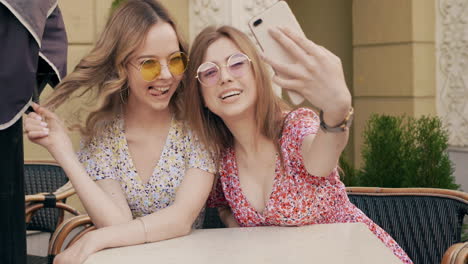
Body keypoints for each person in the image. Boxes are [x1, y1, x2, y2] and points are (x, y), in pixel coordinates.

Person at [184, 25, 413, 263]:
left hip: (358, 256)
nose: (226, 77)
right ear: (200, 95)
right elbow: (223, 206)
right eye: (209, 72)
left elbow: (321, 160)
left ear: (258, 75)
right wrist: (239, 228)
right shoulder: (224, 158)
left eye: (237, 63)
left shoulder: (294, 127)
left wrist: (336, 111)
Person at [23, 1, 215, 263]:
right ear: (121, 66)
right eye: (149, 64)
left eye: (175, 60)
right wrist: (63, 151)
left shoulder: (198, 126)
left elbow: (181, 220)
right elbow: (117, 223)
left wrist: (96, 238)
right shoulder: (104, 136)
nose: (167, 75)